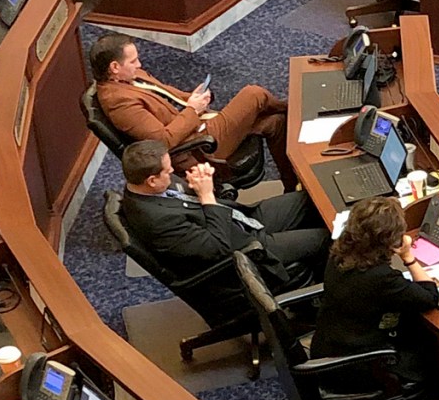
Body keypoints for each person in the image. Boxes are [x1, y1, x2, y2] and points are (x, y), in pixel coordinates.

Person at [117, 139, 331, 291]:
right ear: (152, 180)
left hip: (243, 218)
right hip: (246, 248)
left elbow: (191, 201)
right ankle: (319, 298)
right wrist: (207, 194)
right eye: (167, 171)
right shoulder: (156, 221)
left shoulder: (153, 184)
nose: (173, 173)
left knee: (310, 197)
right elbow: (218, 246)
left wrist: (200, 182)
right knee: (327, 237)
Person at [309, 197, 439, 391]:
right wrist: (408, 258)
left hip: (330, 344)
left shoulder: (341, 249)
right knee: (432, 347)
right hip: (356, 365)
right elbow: (429, 297)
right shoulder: (381, 277)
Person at [92, 34, 287, 163]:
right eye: (133, 61)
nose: (139, 64)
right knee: (253, 94)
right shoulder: (118, 102)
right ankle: (295, 106)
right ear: (115, 67)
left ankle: (291, 186)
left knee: (275, 122)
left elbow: (167, 93)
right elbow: (163, 141)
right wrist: (193, 109)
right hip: (199, 145)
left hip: (198, 122)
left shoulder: (132, 76)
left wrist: (193, 97)